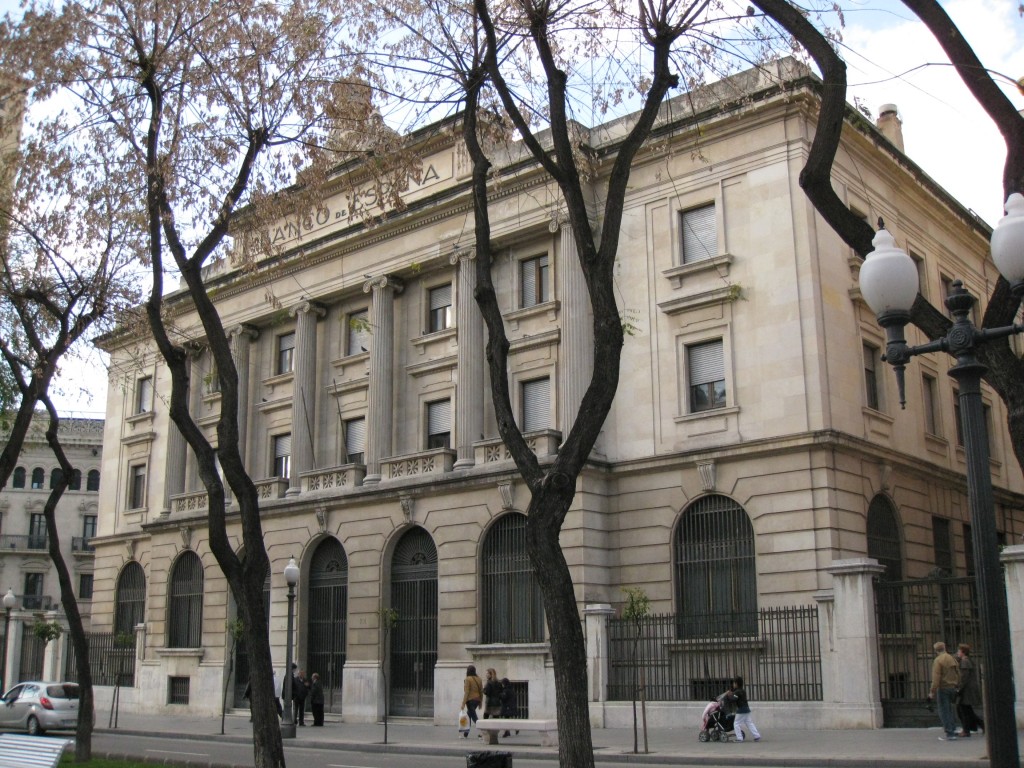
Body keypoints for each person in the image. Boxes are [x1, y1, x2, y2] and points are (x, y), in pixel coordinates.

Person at [928, 641, 960, 741]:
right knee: (950, 710)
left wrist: (932, 691)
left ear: (936, 650)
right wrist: (957, 685)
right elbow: (958, 673)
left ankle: (949, 733)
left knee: (944, 711)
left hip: (943, 688)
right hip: (953, 687)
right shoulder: (952, 658)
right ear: (944, 648)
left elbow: (936, 677)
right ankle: (953, 729)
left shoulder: (938, 660)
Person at [955, 643, 984, 737]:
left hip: (967, 689)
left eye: (959, 651)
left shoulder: (965, 662)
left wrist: (958, 688)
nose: (957, 652)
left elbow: (964, 677)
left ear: (963, 652)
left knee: (963, 709)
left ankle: (966, 730)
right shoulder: (966, 660)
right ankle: (981, 725)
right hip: (968, 688)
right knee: (967, 710)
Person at [722, 676, 760, 742]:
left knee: (736, 723)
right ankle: (757, 735)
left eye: (734, 683)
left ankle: (739, 738)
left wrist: (729, 695)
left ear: (736, 684)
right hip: (746, 709)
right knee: (749, 723)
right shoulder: (743, 691)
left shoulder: (737, 692)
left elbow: (733, 699)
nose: (733, 684)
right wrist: (732, 694)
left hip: (741, 710)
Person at [461, 664, 484, 738]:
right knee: (468, 715)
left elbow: (466, 692)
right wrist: (480, 702)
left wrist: (463, 703)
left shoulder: (468, 679)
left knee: (474, 717)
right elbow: (481, 691)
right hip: (477, 700)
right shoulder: (479, 679)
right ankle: (466, 733)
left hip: (470, 700)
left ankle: (482, 731)